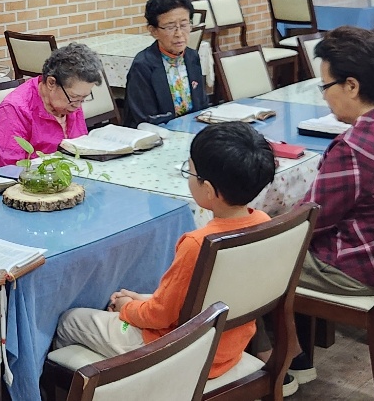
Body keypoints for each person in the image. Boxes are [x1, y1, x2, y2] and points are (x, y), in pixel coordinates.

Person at [52, 122, 275, 380]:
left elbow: (160, 317)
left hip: (177, 351)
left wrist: (127, 308)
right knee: (136, 300)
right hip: (228, 346)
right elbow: (188, 301)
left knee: (69, 320)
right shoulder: (263, 222)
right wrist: (141, 301)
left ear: (208, 189)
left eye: (190, 172)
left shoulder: (198, 243)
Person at [285, 26, 374, 379]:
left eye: (325, 86)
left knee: (244, 258)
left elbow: (308, 222)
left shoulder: (354, 147)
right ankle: (295, 356)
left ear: (351, 85)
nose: (324, 97)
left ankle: (282, 365)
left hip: (360, 270)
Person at [0, 43, 105, 168]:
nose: (78, 106)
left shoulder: (70, 102)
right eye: (74, 97)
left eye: (83, 98)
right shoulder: (14, 110)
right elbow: (9, 169)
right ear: (51, 83)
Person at [125, 0, 210, 126]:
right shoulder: (143, 66)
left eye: (184, 25)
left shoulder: (192, 56)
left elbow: (202, 106)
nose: (179, 33)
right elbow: (145, 120)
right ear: (154, 31)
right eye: (170, 27)